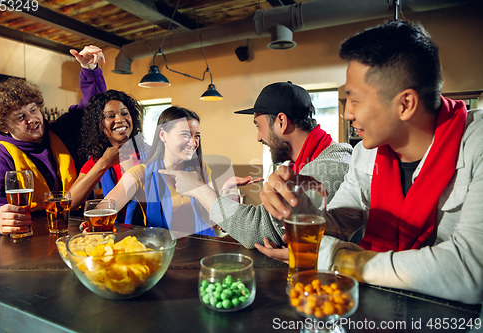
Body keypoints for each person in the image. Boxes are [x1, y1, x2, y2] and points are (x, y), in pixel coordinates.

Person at [258, 20, 483, 304]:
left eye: (354, 100)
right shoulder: (368, 150)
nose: (347, 114)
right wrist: (298, 205)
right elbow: (342, 219)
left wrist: (338, 258)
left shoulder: (476, 145)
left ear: (405, 105)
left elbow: (469, 272)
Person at [164, 82, 353, 248]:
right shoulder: (305, 163)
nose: (258, 137)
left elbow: (256, 228)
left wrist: (200, 190)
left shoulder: (329, 166)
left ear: (281, 122)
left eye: (258, 126)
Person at [0, 45, 107, 235]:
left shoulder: (61, 131)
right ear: (3, 127)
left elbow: (92, 108)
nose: (32, 119)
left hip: (80, 229)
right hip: (33, 236)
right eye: (20, 117)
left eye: (33, 110)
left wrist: (90, 70)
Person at [104, 106, 215, 236]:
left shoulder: (203, 169)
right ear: (162, 135)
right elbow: (103, 210)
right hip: (163, 251)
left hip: (204, 248)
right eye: (185, 134)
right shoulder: (140, 174)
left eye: (197, 136)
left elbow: (214, 215)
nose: (193, 142)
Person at [68, 89, 146, 225]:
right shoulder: (98, 160)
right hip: (115, 234)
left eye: (125, 113)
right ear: (99, 124)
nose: (120, 119)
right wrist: (104, 162)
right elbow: (70, 203)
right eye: (110, 116)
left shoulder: (148, 155)